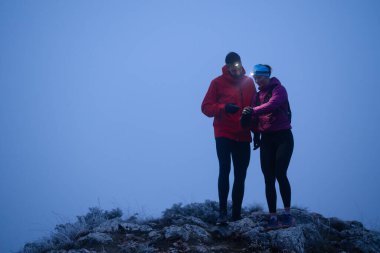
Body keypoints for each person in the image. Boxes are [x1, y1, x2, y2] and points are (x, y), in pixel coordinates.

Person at [201, 52, 257, 225]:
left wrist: (257, 133)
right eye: (231, 66)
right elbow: (206, 107)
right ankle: (223, 213)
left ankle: (236, 215)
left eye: (237, 65)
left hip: (243, 134)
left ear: (241, 64)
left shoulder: (249, 83)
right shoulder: (217, 82)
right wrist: (224, 107)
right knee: (224, 170)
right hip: (224, 133)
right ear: (226, 66)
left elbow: (255, 109)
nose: (235, 68)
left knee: (241, 175)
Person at [241, 64, 294, 230]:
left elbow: (272, 105)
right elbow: (255, 119)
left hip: (283, 137)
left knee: (280, 173)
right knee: (268, 178)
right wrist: (255, 134)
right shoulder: (257, 96)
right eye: (255, 78)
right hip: (266, 139)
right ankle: (272, 217)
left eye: (260, 77)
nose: (257, 80)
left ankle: (287, 214)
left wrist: (252, 111)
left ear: (267, 76)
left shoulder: (279, 89)